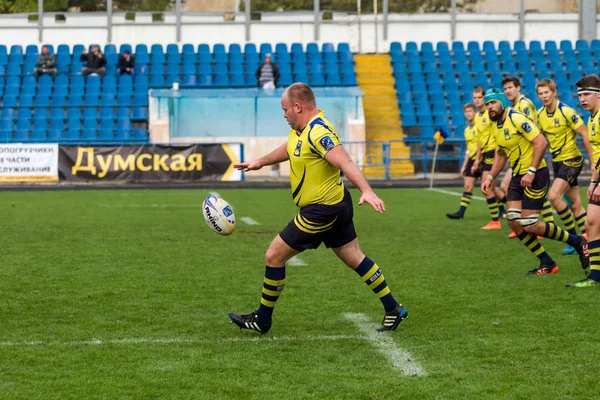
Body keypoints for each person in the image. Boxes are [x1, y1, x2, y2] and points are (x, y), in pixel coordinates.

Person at [228, 83, 407, 334]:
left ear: (298, 107)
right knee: (353, 256)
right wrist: (260, 161)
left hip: (322, 210)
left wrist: (366, 190)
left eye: (285, 109)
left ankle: (262, 319)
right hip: (336, 204)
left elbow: (344, 160)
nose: (284, 115)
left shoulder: (319, 132)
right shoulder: (301, 129)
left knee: (273, 255)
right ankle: (393, 308)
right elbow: (290, 148)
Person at [481, 88, 589, 276]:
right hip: (517, 176)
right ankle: (547, 262)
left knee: (530, 224)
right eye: (487, 104)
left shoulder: (516, 118)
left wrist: (531, 171)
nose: (490, 107)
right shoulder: (495, 125)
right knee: (514, 222)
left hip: (535, 175)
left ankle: (577, 241)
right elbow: (500, 154)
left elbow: (541, 142)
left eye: (493, 102)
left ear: (502, 102)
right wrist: (490, 177)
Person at [536, 78, 593, 255]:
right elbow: (541, 140)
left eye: (547, 92)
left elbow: (585, 134)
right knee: (575, 205)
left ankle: (574, 239)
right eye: (541, 93)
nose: (544, 96)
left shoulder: (567, 111)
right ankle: (589, 239)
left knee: (554, 196)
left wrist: (593, 162)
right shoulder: (540, 114)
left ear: (554, 93)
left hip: (572, 160)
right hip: (557, 162)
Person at [501, 77, 554, 239]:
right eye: (505, 88)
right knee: (511, 187)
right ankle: (526, 223)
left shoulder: (524, 105)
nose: (508, 91)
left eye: (510, 87)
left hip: (528, 157)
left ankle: (537, 225)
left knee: (509, 186)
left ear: (518, 88)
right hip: (520, 156)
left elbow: (531, 130)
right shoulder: (515, 106)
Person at [567, 74, 600, 287]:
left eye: (587, 94)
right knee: (591, 223)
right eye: (580, 95)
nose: (582, 99)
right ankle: (595, 277)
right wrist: (594, 181)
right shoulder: (591, 118)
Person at [472, 87, 506, 230]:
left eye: (479, 97)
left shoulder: (491, 113)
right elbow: (479, 139)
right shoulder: (477, 117)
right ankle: (513, 205)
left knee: (486, 188)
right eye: (475, 98)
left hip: (494, 151)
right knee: (492, 189)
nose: (477, 100)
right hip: (485, 153)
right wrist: (477, 159)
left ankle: (495, 221)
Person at [447, 104, 481, 219]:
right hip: (472, 159)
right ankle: (461, 213)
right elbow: (468, 148)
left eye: (470, 111)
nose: (468, 113)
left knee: (489, 190)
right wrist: (464, 166)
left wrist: (478, 160)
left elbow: (480, 143)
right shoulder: (467, 130)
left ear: (475, 112)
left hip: (482, 158)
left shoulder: (480, 126)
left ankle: (502, 209)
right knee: (467, 186)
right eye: (466, 111)